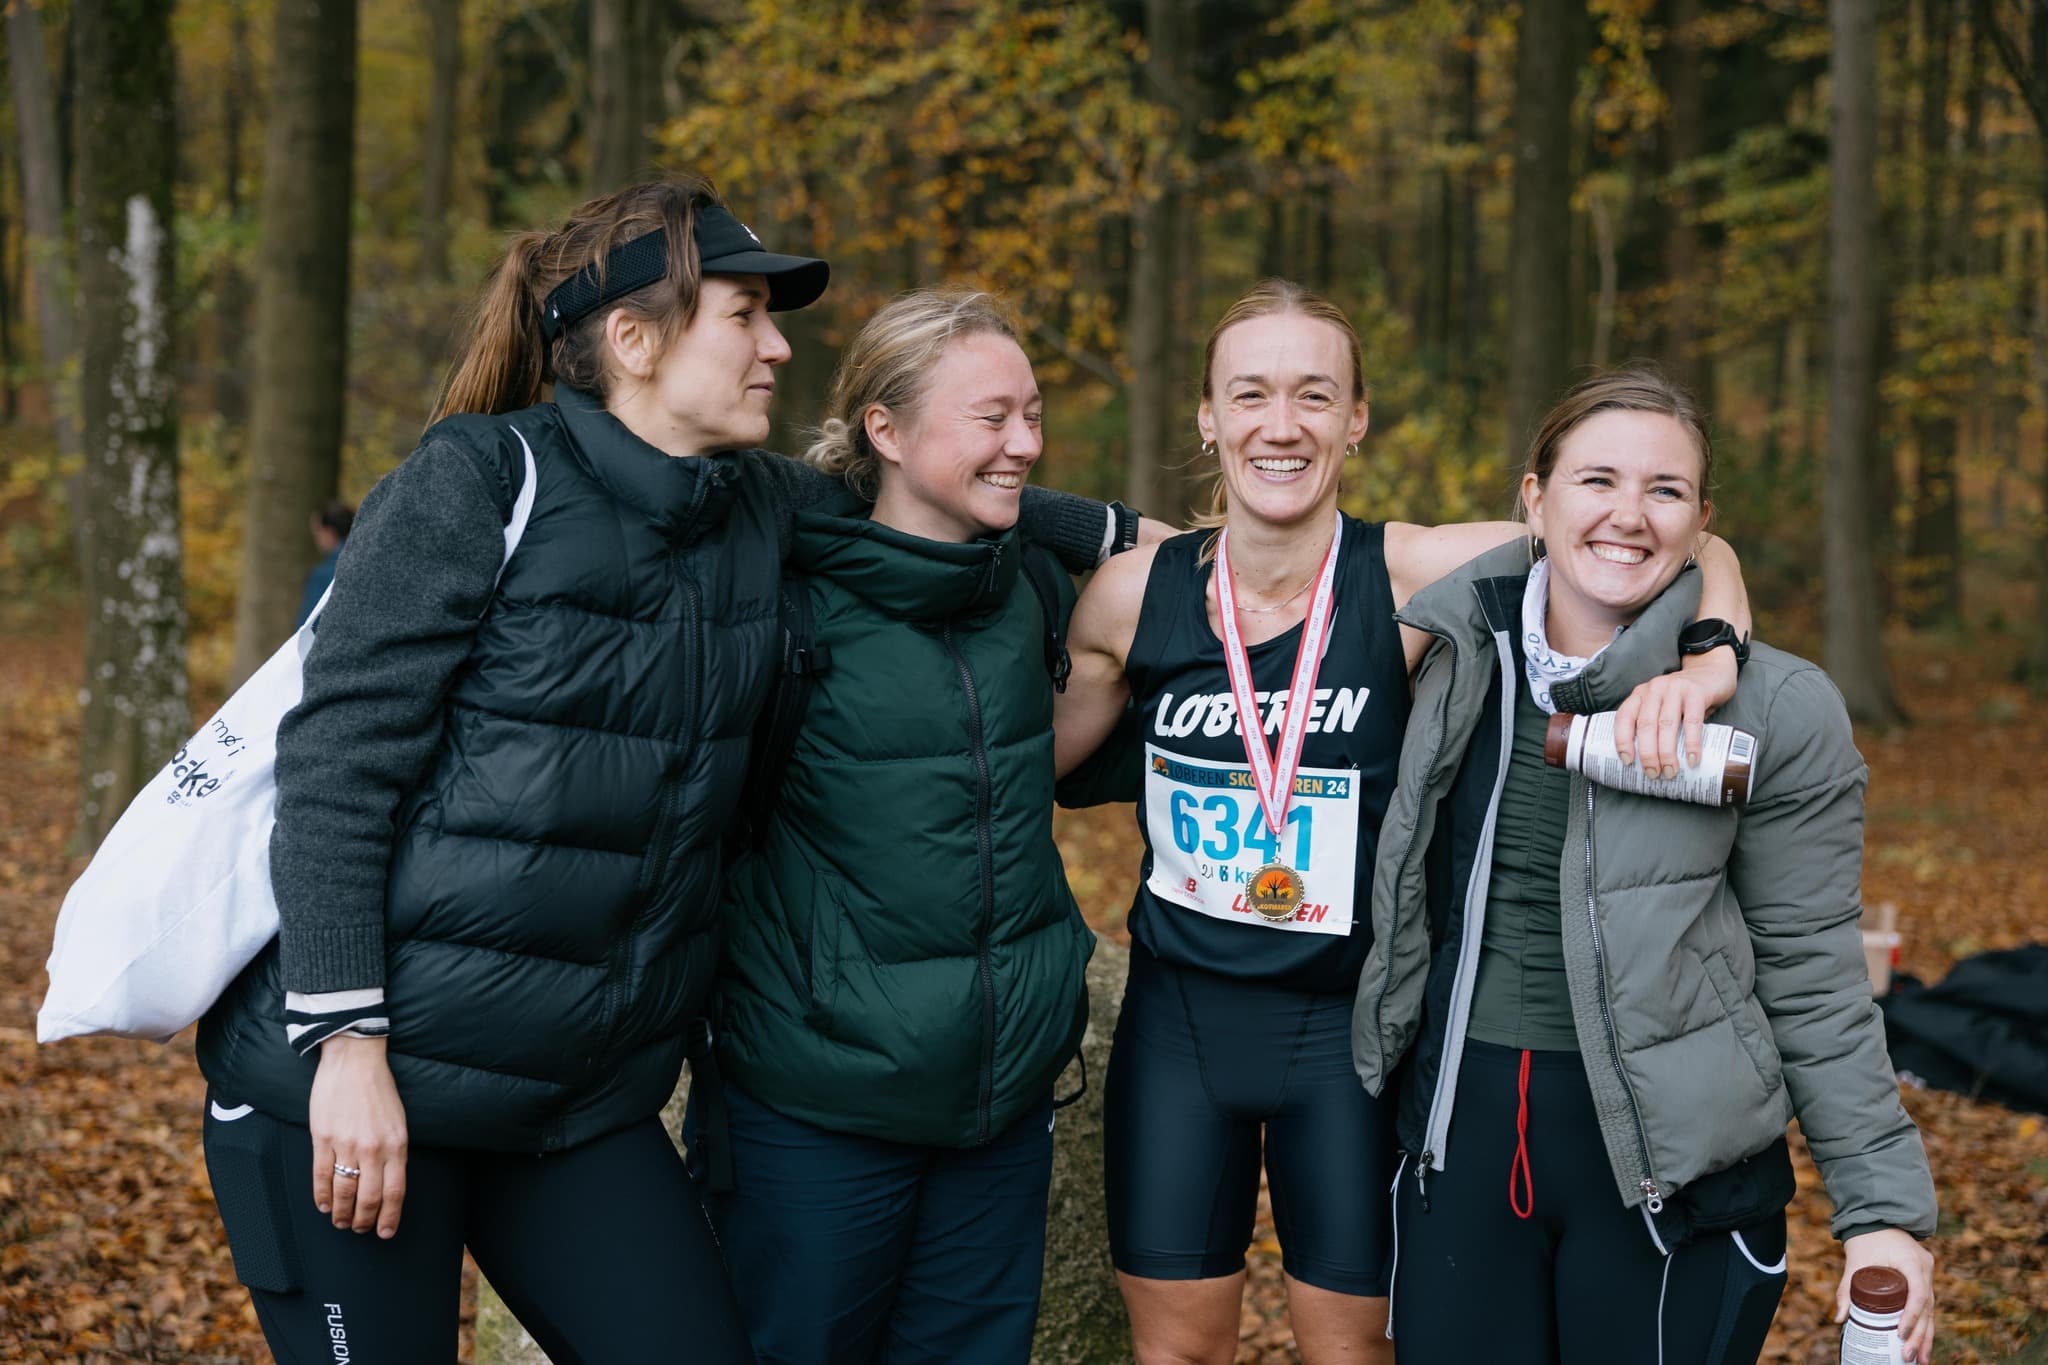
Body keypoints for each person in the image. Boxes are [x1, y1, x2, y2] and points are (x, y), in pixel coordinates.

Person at [192, 178, 1120, 1363]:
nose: (779, 346)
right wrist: (348, 1052)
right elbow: (335, 769)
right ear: (632, 340)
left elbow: (934, 487)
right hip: (360, 1090)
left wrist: (1160, 543)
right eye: (743, 315)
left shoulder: (753, 506)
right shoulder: (476, 483)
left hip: (577, 1109)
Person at [1053, 281, 1755, 1365]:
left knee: (1351, 1354)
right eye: (1248, 395)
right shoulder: (1126, 595)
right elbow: (1013, 773)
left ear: (1354, 418)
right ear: (1206, 417)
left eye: (1313, 395)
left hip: (1344, 1037)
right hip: (1177, 1028)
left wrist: (1710, 655)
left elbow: (1674, 540)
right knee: (1176, 1353)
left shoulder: (1412, 574)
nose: (1278, 424)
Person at [1348, 367, 1938, 1364]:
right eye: (1595, 481)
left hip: (1676, 1182)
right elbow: (1234, 564)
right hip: (1455, 1157)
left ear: (1700, 523)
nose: (1627, 515)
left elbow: (1811, 974)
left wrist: (1880, 1208)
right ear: (1532, 499)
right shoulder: (1441, 659)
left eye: (1663, 491)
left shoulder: (1779, 710)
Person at [690, 289, 1100, 1365]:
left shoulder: (1037, 592)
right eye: (990, 418)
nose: (1023, 445)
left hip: (998, 1114)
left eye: (1033, 414)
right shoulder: (779, 603)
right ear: (883, 427)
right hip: (815, 1114)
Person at [295, 499, 354, 627]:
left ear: (328, 532)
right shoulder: (368, 566)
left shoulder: (322, 575)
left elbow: (308, 627)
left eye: (317, 532)